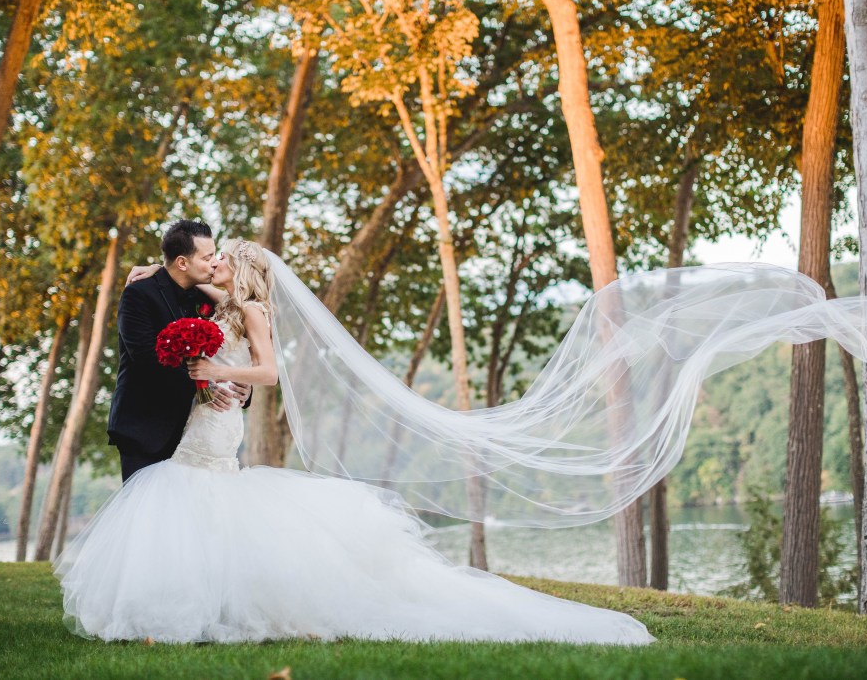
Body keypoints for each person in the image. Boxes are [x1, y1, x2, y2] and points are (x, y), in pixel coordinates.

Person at [55, 239, 653, 644]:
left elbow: (270, 373)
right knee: (196, 504)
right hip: (206, 419)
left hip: (219, 418)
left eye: (222, 262)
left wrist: (220, 376)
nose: (213, 267)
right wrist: (151, 274)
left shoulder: (255, 309)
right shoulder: (226, 301)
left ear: (239, 270)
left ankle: (212, 607)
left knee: (201, 497)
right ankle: (205, 605)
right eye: (210, 261)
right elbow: (185, 286)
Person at [107, 220, 249, 481]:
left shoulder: (208, 298)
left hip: (197, 432)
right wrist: (203, 385)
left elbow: (235, 346)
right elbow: (145, 359)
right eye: (207, 258)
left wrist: (242, 387)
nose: (214, 263)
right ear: (183, 263)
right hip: (146, 429)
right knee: (147, 516)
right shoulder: (138, 294)